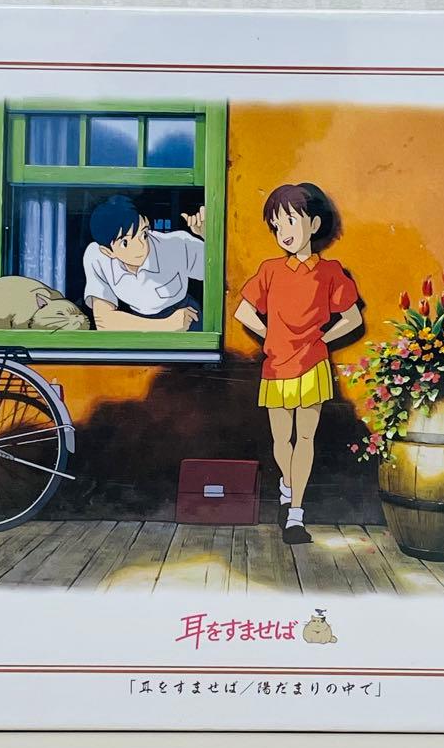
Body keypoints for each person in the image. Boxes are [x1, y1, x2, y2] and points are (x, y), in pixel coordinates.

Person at [234, 183, 363, 544]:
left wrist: (321, 339)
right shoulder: (271, 270)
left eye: (291, 220)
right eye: (277, 225)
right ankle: (288, 485)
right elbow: (243, 310)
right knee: (281, 439)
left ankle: (295, 514)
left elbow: (352, 318)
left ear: (314, 224)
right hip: (277, 365)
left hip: (312, 365)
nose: (284, 232)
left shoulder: (330, 272)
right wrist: (270, 335)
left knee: (305, 437)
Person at [83, 195, 206, 331]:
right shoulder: (97, 256)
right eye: (125, 243)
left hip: (185, 315)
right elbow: (104, 321)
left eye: (144, 234)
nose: (141, 246)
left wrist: (207, 235)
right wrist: (168, 325)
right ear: (108, 251)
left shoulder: (175, 245)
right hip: (137, 321)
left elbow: (220, 273)